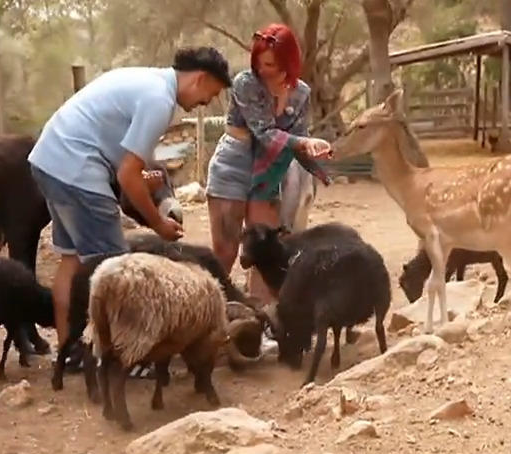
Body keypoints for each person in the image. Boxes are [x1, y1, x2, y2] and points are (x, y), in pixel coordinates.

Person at [29, 46, 232, 374]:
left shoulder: (145, 80)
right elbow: (127, 174)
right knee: (118, 272)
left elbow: (134, 164)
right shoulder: (159, 101)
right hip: (79, 169)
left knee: (72, 259)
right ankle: (117, 357)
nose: (207, 103)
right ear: (201, 79)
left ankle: (69, 352)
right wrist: (157, 225)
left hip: (50, 160)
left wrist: (151, 189)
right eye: (212, 93)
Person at [205, 25, 333, 297]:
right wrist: (301, 143)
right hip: (235, 163)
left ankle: (261, 320)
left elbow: (298, 137)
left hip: (271, 172)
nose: (263, 69)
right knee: (225, 250)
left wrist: (315, 159)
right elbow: (263, 132)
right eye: (259, 63)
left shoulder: (301, 93)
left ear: (288, 61)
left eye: (271, 64)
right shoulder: (245, 83)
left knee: (267, 250)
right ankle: (209, 309)